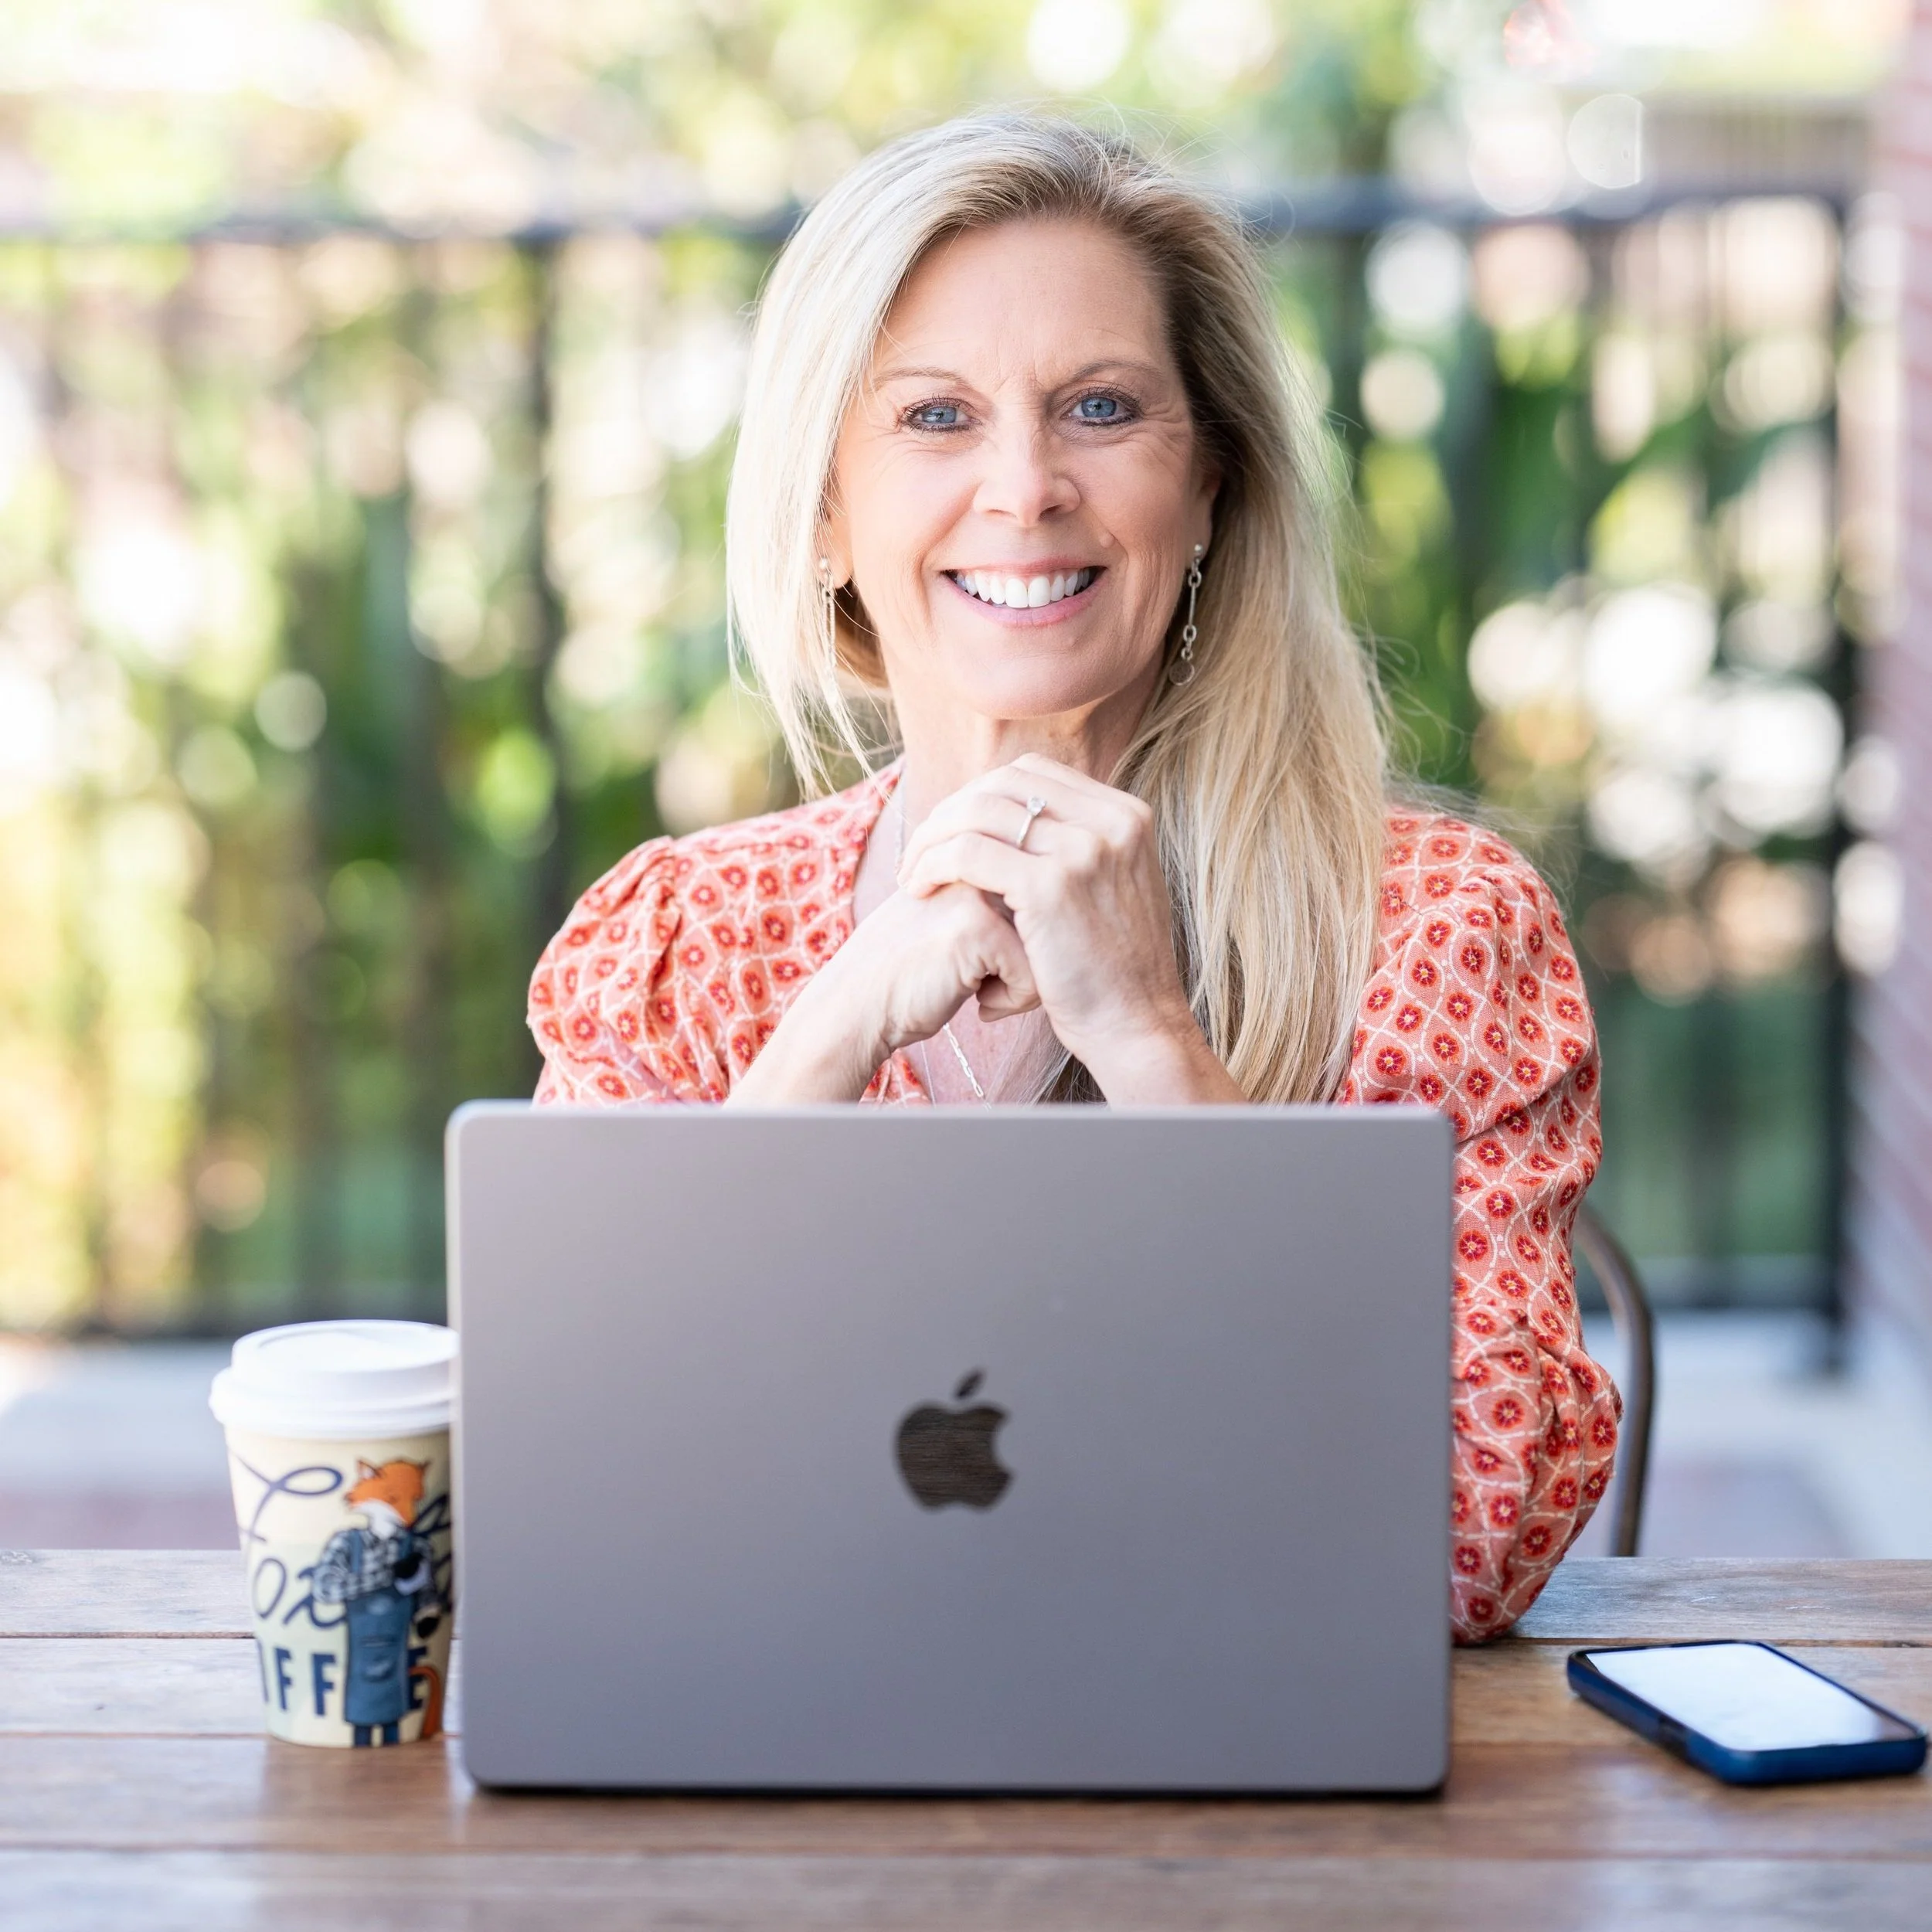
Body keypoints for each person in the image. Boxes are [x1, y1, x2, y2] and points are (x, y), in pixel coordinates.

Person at [528, 114, 1618, 1641]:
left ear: (1211, 484)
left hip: (1250, 1765)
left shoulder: (1435, 930)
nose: (1026, 485)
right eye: (935, 416)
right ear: (824, 512)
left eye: (1100, 407)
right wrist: (825, 1038)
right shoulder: (677, 944)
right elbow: (578, 1507)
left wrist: (1152, 1040)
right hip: (786, 1756)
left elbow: (1467, 1546)